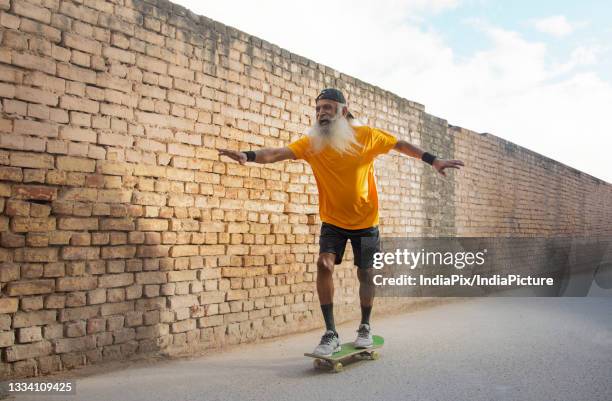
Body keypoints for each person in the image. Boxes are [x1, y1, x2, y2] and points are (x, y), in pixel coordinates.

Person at [218, 88, 464, 357]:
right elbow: (277, 153)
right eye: (318, 108)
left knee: (366, 273)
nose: (322, 112)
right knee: (323, 264)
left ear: (343, 111)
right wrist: (248, 155)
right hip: (333, 221)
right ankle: (331, 332)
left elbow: (400, 145)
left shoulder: (366, 136)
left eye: (328, 107)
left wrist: (433, 160)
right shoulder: (312, 144)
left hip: (366, 221)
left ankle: (365, 327)